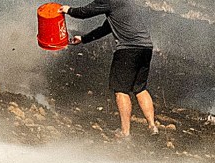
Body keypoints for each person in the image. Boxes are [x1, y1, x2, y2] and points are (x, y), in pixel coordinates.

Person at [67, 0, 156, 138]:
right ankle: (152, 126)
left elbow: (83, 13)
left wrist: (66, 9)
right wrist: (83, 39)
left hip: (128, 49)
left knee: (121, 90)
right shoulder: (124, 3)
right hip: (146, 48)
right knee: (140, 88)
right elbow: (106, 28)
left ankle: (125, 133)